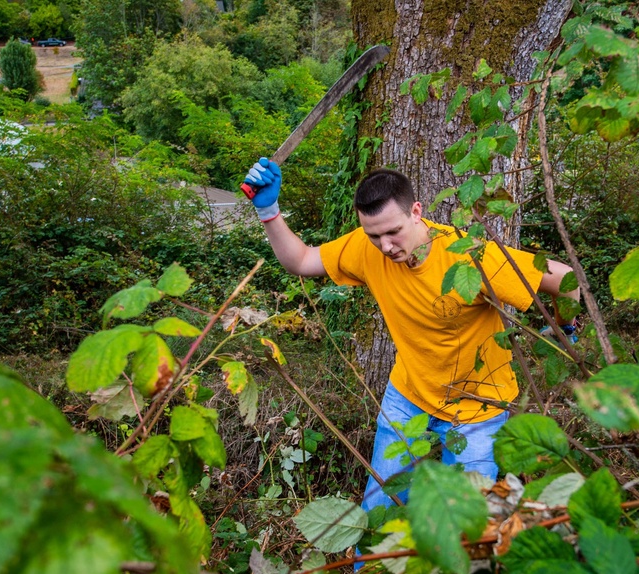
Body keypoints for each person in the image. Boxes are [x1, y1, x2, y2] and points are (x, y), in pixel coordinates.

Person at [243, 158, 580, 513]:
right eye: (374, 236)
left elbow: (563, 277)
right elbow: (301, 261)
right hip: (408, 398)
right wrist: (268, 210)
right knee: (380, 510)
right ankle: (367, 571)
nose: (385, 246)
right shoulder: (364, 247)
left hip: (479, 407)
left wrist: (564, 330)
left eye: (393, 232)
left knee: (468, 518)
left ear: (416, 211)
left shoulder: (466, 256)